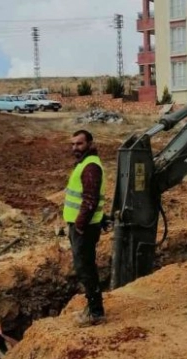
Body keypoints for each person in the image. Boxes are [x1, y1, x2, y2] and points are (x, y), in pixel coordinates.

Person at [63, 129, 107, 327]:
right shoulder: (85, 164)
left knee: (85, 268)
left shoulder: (90, 167)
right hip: (83, 226)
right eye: (73, 144)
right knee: (85, 267)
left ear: (89, 144)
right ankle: (93, 308)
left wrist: (79, 226)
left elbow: (90, 199)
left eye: (79, 144)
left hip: (85, 228)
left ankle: (96, 312)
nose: (75, 148)